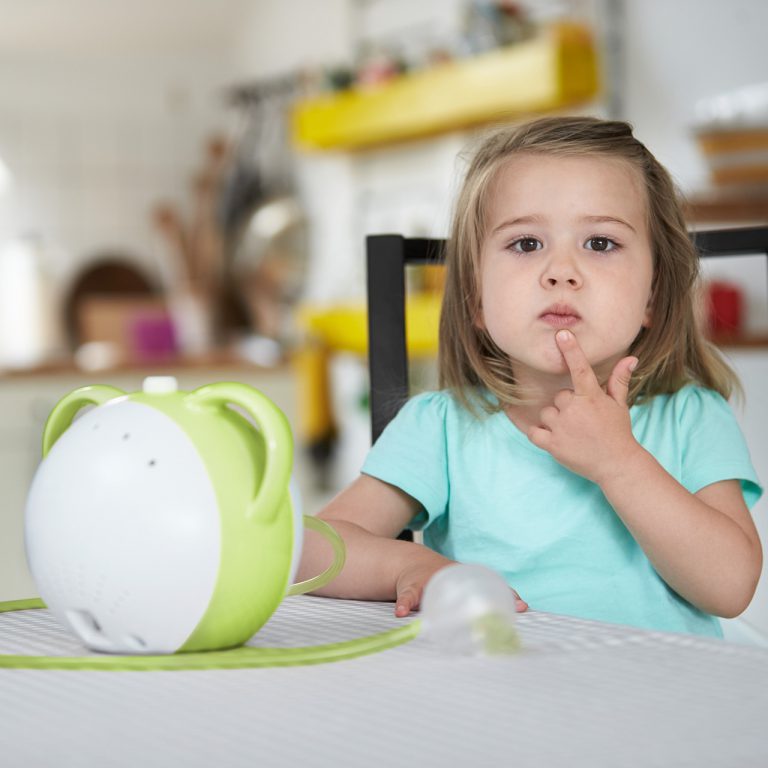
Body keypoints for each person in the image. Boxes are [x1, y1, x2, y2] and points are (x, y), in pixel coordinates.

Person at [296, 116, 763, 637]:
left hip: (660, 706)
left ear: (652, 295)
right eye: (526, 244)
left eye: (601, 244)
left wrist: (620, 463)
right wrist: (410, 566)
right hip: (498, 703)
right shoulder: (443, 427)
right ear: (476, 297)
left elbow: (730, 587)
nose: (560, 271)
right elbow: (311, 549)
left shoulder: (691, 415)